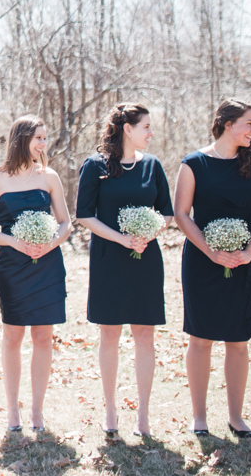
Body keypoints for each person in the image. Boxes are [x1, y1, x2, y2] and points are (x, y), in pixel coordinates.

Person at [174, 99, 251, 439]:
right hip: (202, 262)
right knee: (200, 338)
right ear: (227, 124)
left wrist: (248, 252)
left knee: (238, 340)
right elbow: (182, 214)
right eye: (249, 123)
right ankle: (199, 417)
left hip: (246, 263)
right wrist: (211, 252)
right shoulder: (194, 163)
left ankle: (236, 418)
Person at [74, 103, 174, 439]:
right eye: (146, 126)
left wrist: (148, 234)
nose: (151, 132)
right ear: (128, 129)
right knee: (110, 335)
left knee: (145, 336)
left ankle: (143, 414)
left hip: (146, 258)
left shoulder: (153, 166)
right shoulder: (95, 166)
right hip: (109, 260)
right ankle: (111, 411)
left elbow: (167, 213)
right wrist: (121, 238)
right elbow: (85, 215)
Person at [0, 115, 72, 433]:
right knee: (13, 336)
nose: (44, 144)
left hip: (46, 264)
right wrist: (14, 242)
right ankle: (13, 410)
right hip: (11, 266)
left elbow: (65, 222)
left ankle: (37, 410)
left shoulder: (49, 177)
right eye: (39, 138)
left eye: (45, 138)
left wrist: (50, 244)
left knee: (43, 337)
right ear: (22, 140)